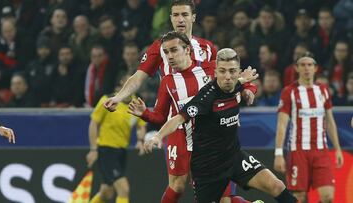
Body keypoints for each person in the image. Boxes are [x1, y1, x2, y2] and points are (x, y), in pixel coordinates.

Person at [103, 1, 243, 202]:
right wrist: (118, 97)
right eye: (175, 15)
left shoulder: (207, 48)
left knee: (217, 189)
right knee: (177, 183)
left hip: (208, 125)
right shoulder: (160, 48)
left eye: (184, 14)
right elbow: (138, 76)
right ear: (170, 18)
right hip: (177, 123)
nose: (180, 19)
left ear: (193, 17)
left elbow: (225, 81)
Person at [144, 48, 297, 203]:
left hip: (234, 156)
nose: (228, 77)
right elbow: (178, 119)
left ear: (238, 73)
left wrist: (249, 88)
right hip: (207, 168)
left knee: (277, 186)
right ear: (215, 72)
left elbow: (245, 84)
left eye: (232, 71)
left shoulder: (236, 84)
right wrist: (158, 136)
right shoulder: (206, 97)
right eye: (222, 71)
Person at [128, 31, 257, 203]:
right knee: (177, 186)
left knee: (222, 199)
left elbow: (239, 80)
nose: (169, 56)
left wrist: (249, 90)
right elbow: (160, 116)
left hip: (212, 141)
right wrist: (144, 113)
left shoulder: (211, 68)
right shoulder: (168, 81)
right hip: (180, 135)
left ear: (187, 50)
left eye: (174, 50)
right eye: (166, 53)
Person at [274, 52, 344, 203]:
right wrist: (278, 153)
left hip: (321, 150)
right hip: (298, 149)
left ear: (315, 68)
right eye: (303, 65)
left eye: (310, 65)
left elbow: (330, 121)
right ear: (296, 68)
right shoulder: (289, 92)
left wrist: (337, 148)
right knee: (299, 197)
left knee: (328, 197)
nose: (307, 68)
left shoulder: (323, 90)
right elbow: (282, 124)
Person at [86, 75, 146, 203]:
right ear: (122, 84)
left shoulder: (136, 103)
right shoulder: (108, 100)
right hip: (106, 150)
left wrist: (140, 141)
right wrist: (93, 149)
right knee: (123, 189)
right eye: (127, 82)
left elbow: (141, 126)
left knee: (106, 193)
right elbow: (94, 123)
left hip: (121, 151)